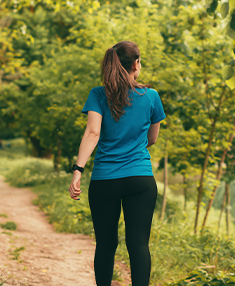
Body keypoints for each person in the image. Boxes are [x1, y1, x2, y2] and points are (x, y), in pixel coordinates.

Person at [68, 41, 165, 286]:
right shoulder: (151, 96)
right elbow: (151, 139)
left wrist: (78, 171)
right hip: (140, 180)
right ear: (135, 64)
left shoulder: (98, 95)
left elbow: (92, 133)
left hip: (104, 180)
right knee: (138, 243)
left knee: (106, 244)